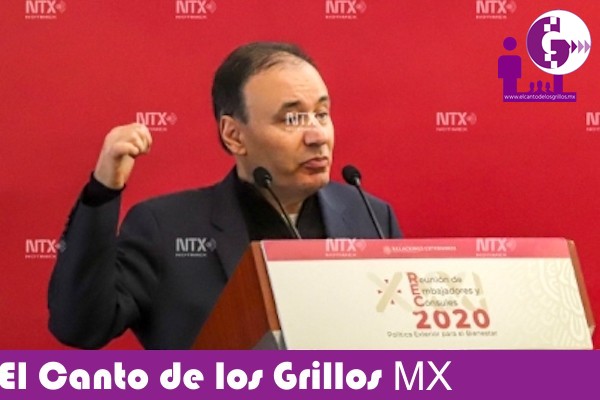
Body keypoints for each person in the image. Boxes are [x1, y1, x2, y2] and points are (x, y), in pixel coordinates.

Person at [48, 42, 402, 349]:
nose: (317, 136)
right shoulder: (165, 227)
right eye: (292, 119)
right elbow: (80, 326)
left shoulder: (370, 216)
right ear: (233, 135)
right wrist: (102, 192)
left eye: (322, 114)